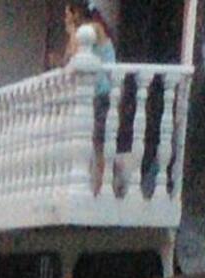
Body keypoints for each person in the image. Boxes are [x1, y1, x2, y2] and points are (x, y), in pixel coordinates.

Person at [62, 0, 117, 193]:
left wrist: (71, 32)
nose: (65, 19)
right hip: (91, 95)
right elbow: (69, 59)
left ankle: (100, 186)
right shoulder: (81, 32)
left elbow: (77, 53)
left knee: (98, 143)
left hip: (101, 92)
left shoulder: (94, 28)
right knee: (88, 141)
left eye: (68, 14)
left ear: (76, 13)